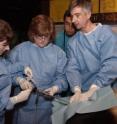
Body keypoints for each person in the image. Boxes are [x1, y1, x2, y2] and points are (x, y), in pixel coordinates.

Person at [8, 14, 68, 124]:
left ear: (51, 34)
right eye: (38, 36)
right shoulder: (19, 51)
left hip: (48, 108)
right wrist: (19, 80)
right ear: (32, 33)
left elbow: (63, 78)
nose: (42, 40)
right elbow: (7, 75)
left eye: (46, 36)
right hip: (23, 108)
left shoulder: (59, 54)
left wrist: (55, 88)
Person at [0, 19, 32, 124]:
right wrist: (16, 99)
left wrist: (19, 80)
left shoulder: (1, 60)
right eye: (4, 44)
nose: (8, 48)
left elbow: (6, 73)